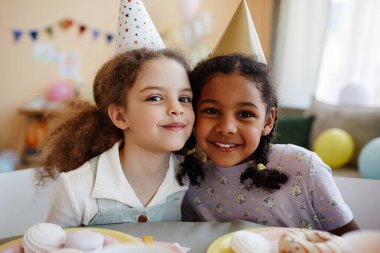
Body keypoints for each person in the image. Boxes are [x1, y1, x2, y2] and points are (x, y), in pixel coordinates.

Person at [179, 53, 359, 236]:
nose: (227, 128)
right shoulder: (192, 182)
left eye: (245, 114)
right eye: (211, 111)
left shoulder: (302, 166)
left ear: (268, 121)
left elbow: (351, 240)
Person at [35, 48, 195, 228]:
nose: (177, 108)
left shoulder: (198, 179)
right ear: (120, 116)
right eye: (155, 97)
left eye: (184, 98)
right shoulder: (76, 188)